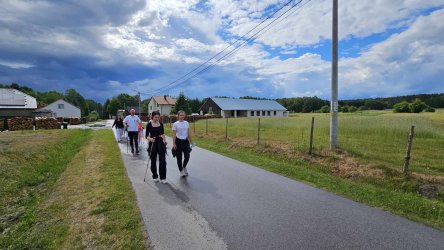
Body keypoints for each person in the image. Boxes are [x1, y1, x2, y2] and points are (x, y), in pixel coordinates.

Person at [146, 111, 168, 183]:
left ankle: (163, 177)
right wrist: (150, 139)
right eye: (155, 117)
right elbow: (146, 135)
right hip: (153, 142)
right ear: (152, 117)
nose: (157, 118)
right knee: (153, 160)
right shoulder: (149, 124)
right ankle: (155, 175)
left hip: (160, 142)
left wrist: (165, 140)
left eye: (158, 117)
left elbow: (163, 133)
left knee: (163, 160)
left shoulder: (161, 124)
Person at [172, 110, 193, 177]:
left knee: (187, 156)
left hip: (185, 141)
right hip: (178, 141)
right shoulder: (175, 124)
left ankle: (184, 167)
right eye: (180, 115)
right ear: (178, 116)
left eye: (183, 115)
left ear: (184, 116)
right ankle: (181, 170)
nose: (182, 116)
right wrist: (174, 144)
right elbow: (174, 135)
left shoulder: (186, 123)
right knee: (179, 158)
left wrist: (191, 142)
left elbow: (188, 133)